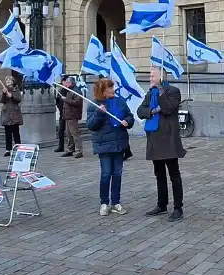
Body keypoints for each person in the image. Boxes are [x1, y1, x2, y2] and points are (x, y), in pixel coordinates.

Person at [137, 67, 186, 222]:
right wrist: (152, 111)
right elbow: (140, 111)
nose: (150, 78)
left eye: (152, 76)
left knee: (174, 174)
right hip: (154, 138)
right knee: (159, 174)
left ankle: (178, 208)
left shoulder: (172, 91)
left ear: (161, 77)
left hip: (168, 139)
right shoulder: (150, 93)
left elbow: (168, 108)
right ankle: (162, 204)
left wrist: (160, 92)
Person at [87, 77, 134, 216]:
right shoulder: (93, 105)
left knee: (117, 174)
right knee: (106, 174)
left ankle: (116, 202)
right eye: (110, 88)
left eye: (113, 87)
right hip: (104, 146)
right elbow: (91, 125)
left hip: (119, 144)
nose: (113, 90)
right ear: (102, 91)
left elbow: (129, 116)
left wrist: (127, 121)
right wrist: (98, 113)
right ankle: (104, 203)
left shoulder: (120, 102)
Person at [60, 76, 84, 158]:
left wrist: (66, 99)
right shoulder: (69, 90)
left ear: (72, 83)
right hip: (68, 115)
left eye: (67, 82)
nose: (66, 84)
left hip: (73, 115)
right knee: (68, 134)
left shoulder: (76, 91)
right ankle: (70, 149)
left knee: (75, 134)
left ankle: (79, 150)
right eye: (66, 82)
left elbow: (77, 102)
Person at [0, 75, 23, 158]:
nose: (8, 81)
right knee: (7, 133)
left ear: (13, 81)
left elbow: (19, 99)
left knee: (16, 132)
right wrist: (3, 93)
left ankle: (18, 148)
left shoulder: (16, 90)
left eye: (9, 80)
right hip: (6, 114)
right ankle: (8, 149)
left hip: (14, 113)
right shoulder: (4, 89)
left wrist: (12, 97)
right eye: (7, 80)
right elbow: (2, 101)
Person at [54, 87, 66, 153]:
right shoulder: (60, 89)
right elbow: (59, 102)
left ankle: (73, 147)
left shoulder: (69, 90)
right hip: (62, 113)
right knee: (60, 131)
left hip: (67, 113)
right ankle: (61, 146)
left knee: (70, 132)